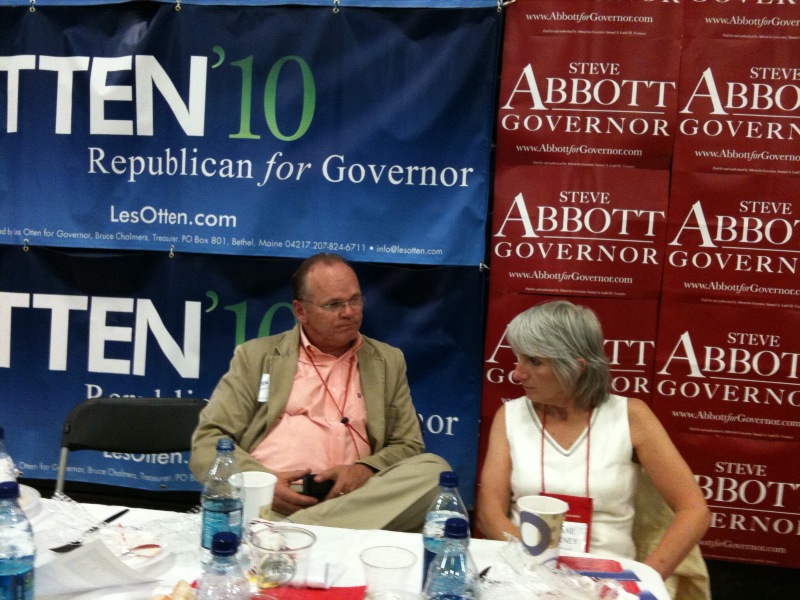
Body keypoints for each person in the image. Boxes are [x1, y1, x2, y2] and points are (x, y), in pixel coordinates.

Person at [190, 253, 450, 532]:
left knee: (436, 473)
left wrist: (365, 469)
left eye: (355, 300)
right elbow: (208, 442)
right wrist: (262, 482)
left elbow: (408, 445)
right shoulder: (256, 357)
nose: (349, 312)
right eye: (334, 304)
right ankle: (312, 533)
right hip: (274, 501)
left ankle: (293, 533)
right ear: (301, 311)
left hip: (357, 500)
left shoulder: (387, 361)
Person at [476, 300, 710, 582]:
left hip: (609, 578)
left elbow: (694, 511)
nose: (517, 373)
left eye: (534, 361)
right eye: (518, 358)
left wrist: (646, 578)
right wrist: (539, 566)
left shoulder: (631, 416)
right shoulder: (510, 416)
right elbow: (490, 514)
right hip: (527, 573)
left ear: (576, 368)